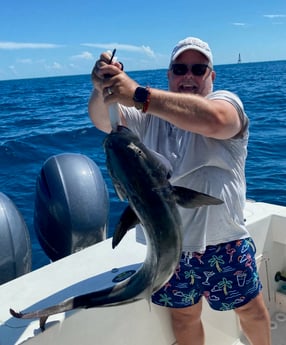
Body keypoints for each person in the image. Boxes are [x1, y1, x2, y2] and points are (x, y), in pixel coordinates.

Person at [88, 37, 271, 345]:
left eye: (199, 69)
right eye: (180, 68)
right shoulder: (148, 117)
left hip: (225, 240)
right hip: (170, 250)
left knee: (250, 310)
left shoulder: (225, 102)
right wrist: (101, 87)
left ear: (211, 77)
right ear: (169, 75)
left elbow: (215, 120)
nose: (189, 76)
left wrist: (138, 94)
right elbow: (103, 120)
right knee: (184, 316)